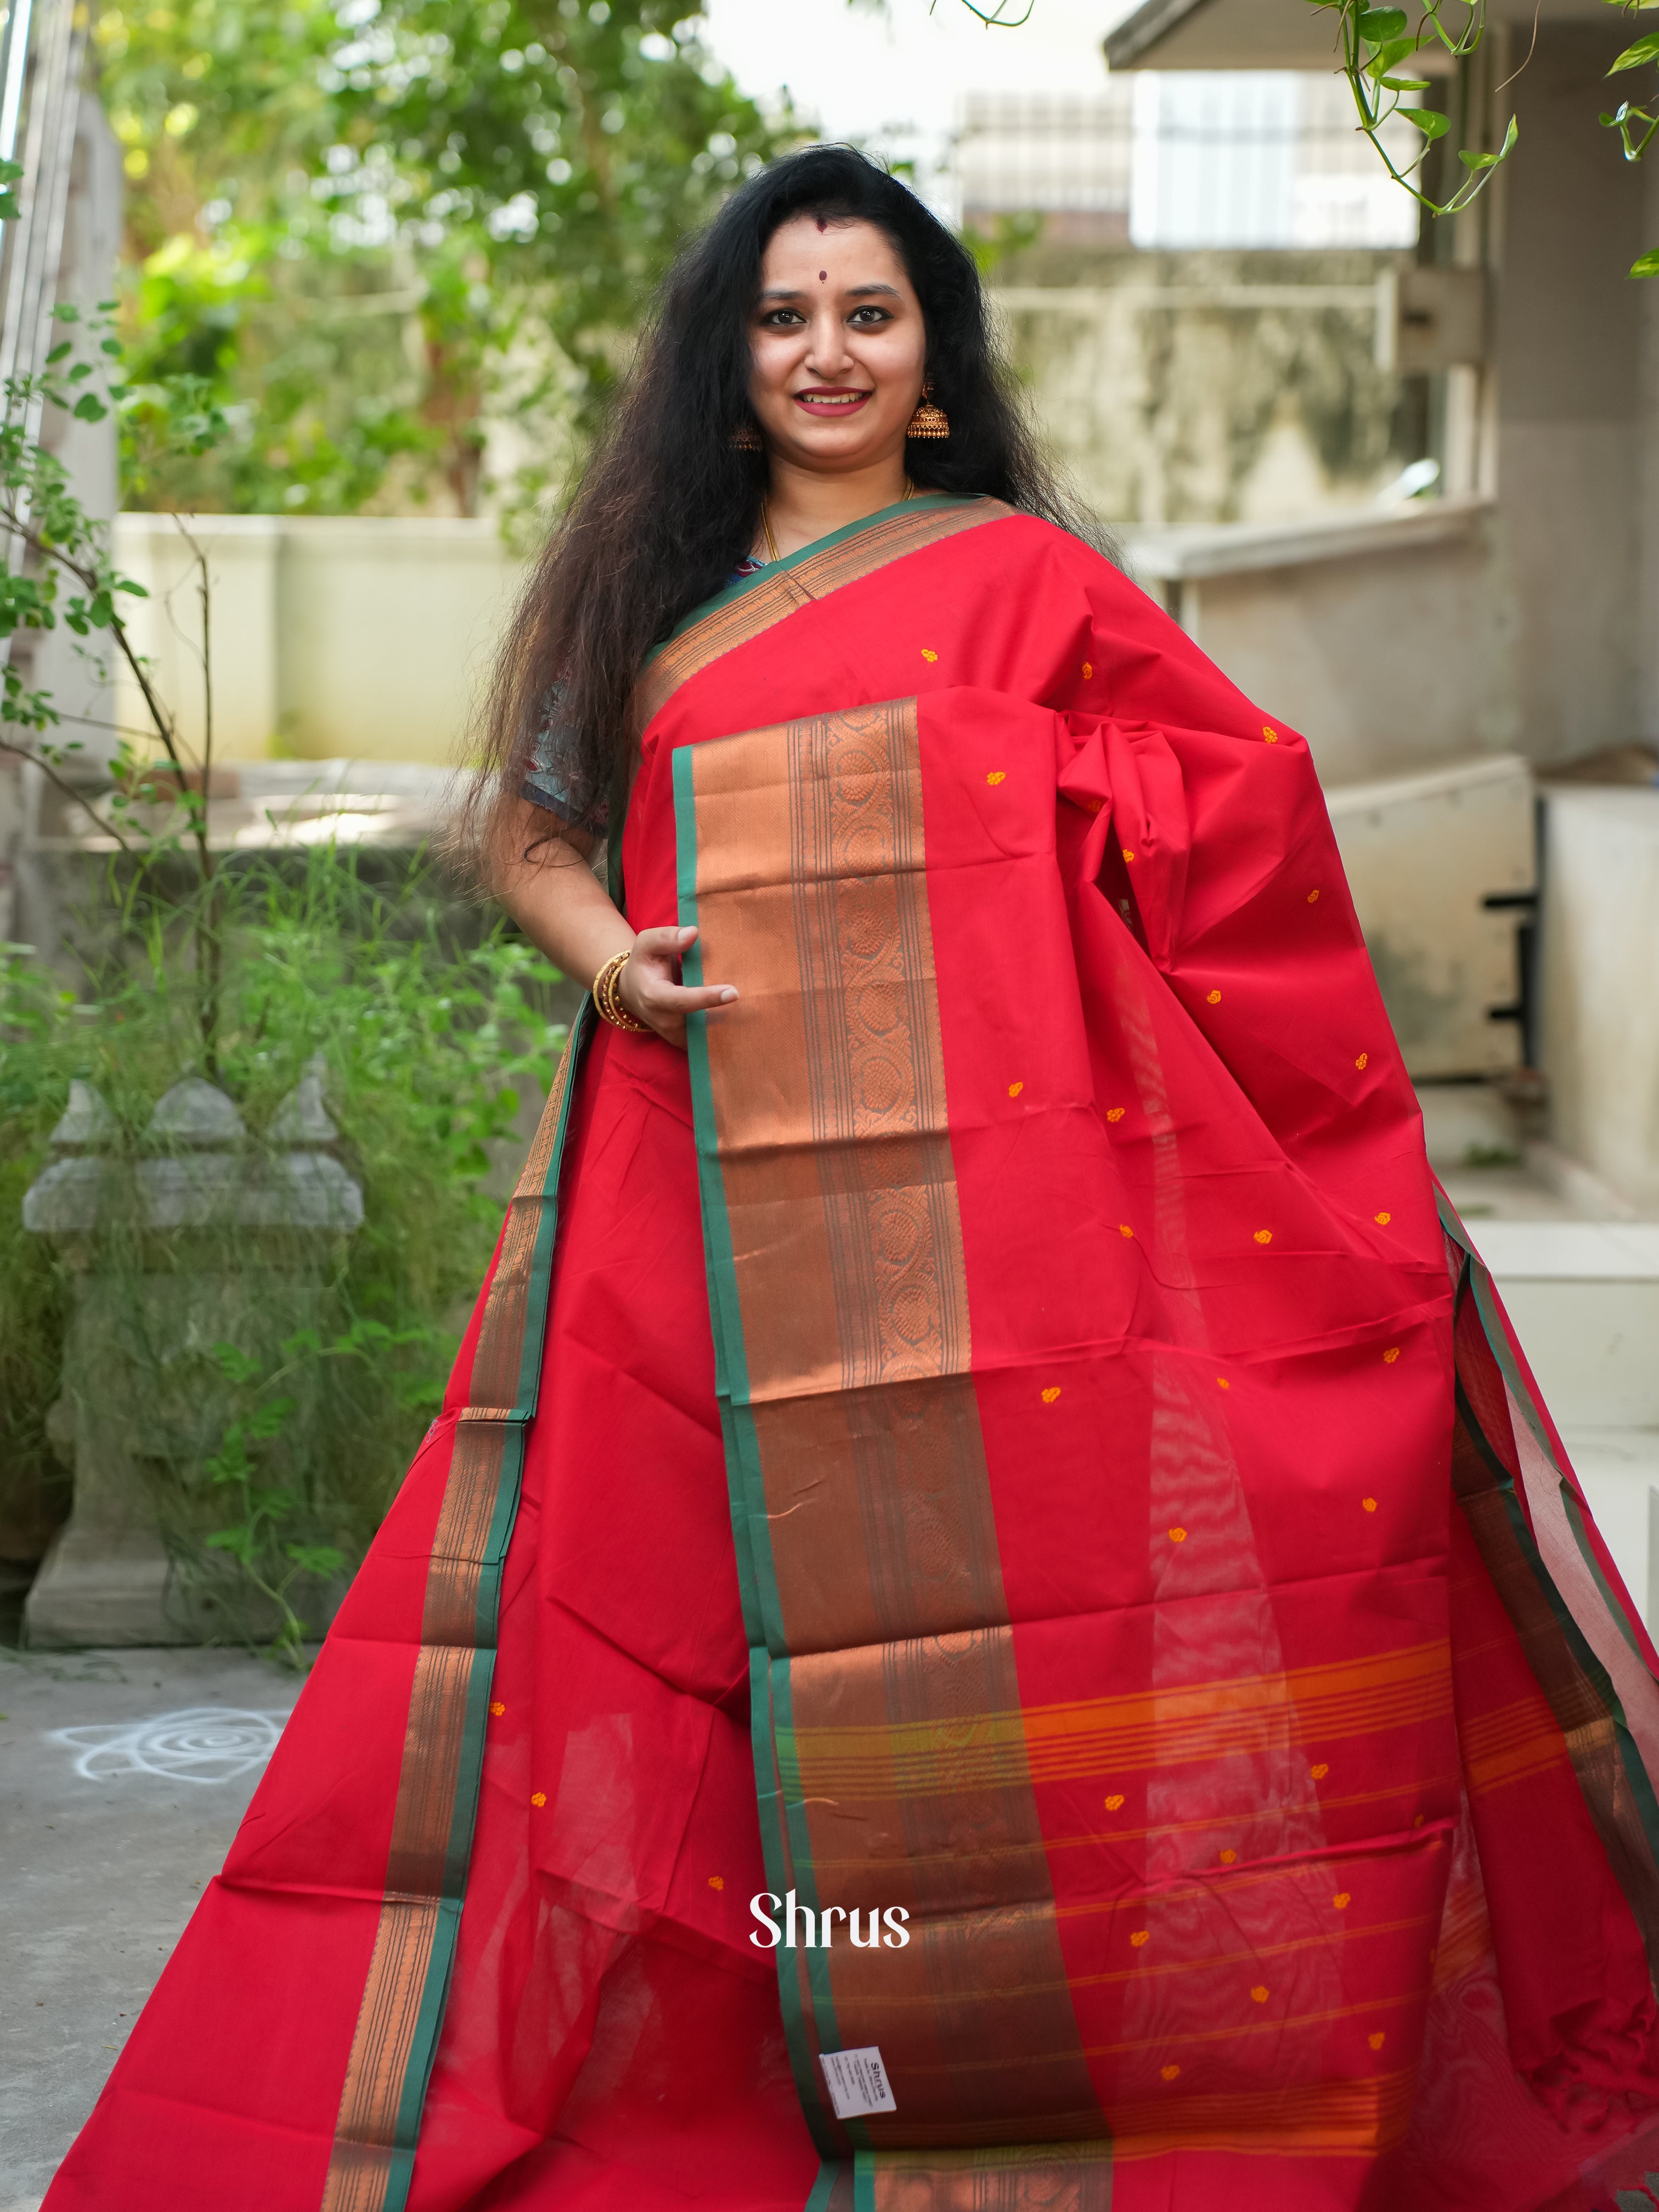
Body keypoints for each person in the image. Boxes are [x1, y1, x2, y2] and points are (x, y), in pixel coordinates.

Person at [45, 145, 1659, 2212]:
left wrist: (1021, 790)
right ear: (732, 371)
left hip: (995, 1219)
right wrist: (618, 955)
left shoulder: (1025, 584)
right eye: (784, 316)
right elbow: (537, 841)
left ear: (933, 371)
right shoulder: (651, 607)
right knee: (658, 1636)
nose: (826, 349)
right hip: (686, 1184)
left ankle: (995, 2046)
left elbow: (1236, 810)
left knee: (998, 1639)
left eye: (870, 315)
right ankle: (751, 2025)